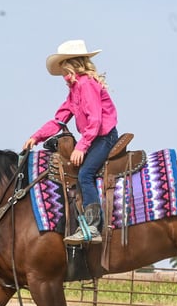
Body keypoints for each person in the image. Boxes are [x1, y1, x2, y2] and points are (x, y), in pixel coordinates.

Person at [23, 39, 119, 244]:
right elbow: (59, 119)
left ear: (74, 66)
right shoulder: (75, 90)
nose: (64, 77)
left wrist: (82, 146)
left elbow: (95, 119)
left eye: (65, 72)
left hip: (103, 137)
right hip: (93, 137)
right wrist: (37, 137)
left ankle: (93, 227)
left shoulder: (86, 85)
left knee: (85, 174)